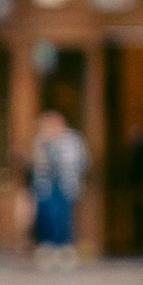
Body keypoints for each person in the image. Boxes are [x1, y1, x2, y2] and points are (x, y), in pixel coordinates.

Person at [29, 108, 88, 269]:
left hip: (65, 184)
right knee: (47, 217)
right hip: (46, 186)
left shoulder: (72, 140)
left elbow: (80, 161)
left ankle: (65, 248)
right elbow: (37, 165)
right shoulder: (41, 141)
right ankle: (47, 248)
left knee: (63, 217)